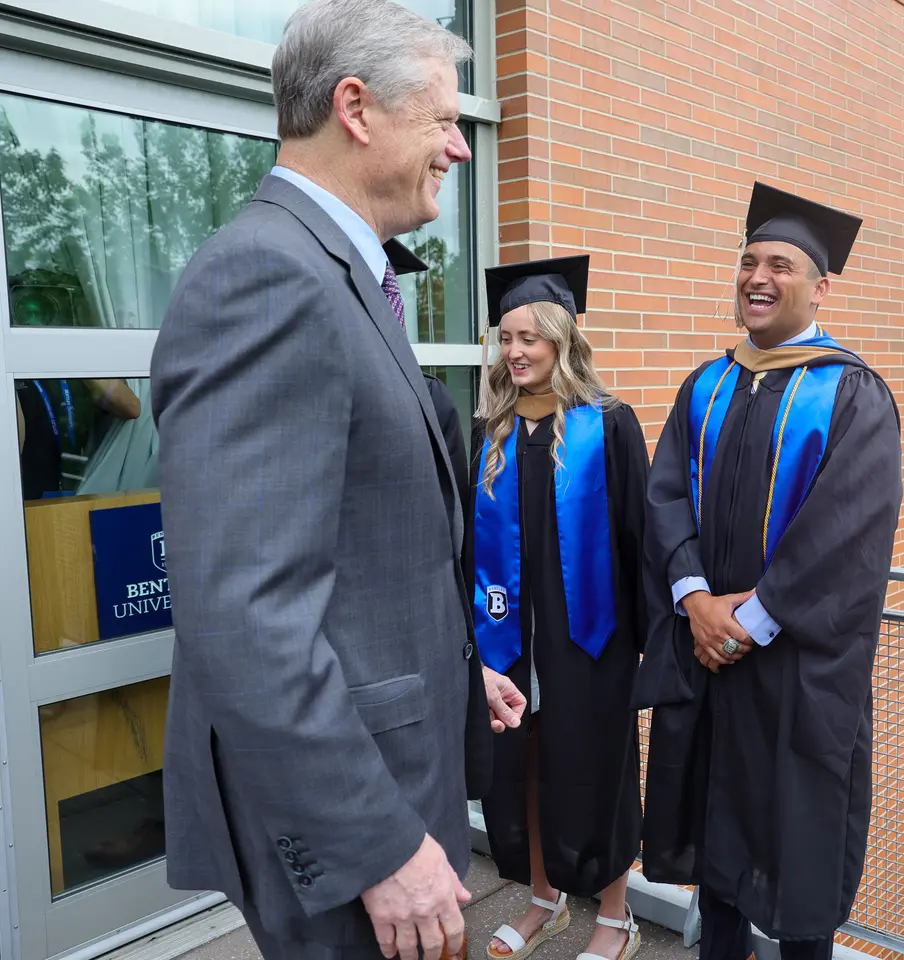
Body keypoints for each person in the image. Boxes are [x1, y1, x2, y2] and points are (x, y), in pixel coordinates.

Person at [150, 3, 526, 959]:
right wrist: (376, 847)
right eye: (444, 121)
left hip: (386, 759)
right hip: (350, 819)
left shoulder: (339, 274)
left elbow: (359, 548)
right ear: (355, 108)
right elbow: (247, 614)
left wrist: (452, 670)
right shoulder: (268, 281)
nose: (461, 148)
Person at [634, 182, 904, 960]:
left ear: (821, 286)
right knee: (715, 845)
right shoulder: (708, 383)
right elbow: (664, 498)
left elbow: (845, 535)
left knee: (797, 853)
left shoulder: (850, 392)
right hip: (711, 659)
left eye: (780, 264)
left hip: (793, 671)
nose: (757, 276)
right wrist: (692, 600)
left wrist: (745, 620)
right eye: (748, 261)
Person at [470, 257, 647, 960]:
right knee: (528, 764)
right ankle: (545, 899)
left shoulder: (609, 425)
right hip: (512, 636)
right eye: (505, 339)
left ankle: (615, 915)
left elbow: (639, 539)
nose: (514, 352)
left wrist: (642, 644)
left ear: (562, 340)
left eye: (528, 338)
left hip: (591, 641)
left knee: (598, 768)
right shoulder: (492, 433)